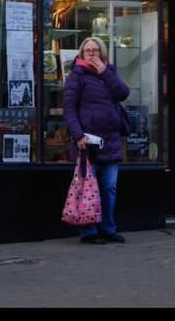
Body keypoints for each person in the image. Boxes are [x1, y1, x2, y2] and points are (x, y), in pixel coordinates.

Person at [62, 35, 130, 244]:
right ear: (81, 54)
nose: (92, 54)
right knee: (88, 188)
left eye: (95, 50)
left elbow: (123, 93)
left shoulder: (109, 73)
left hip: (110, 140)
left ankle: (108, 229)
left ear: (102, 53)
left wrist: (104, 72)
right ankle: (89, 232)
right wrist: (78, 135)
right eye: (88, 51)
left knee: (109, 187)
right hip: (87, 143)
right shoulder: (77, 76)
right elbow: (69, 108)